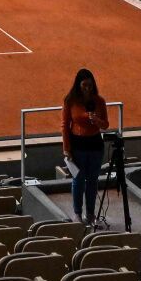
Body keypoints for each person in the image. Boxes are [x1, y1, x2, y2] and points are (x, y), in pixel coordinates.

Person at [61, 68, 110, 225]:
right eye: (84, 85)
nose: (87, 88)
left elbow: (106, 125)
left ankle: (90, 214)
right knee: (78, 180)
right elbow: (64, 125)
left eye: (90, 85)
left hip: (95, 144)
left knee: (93, 181)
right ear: (78, 85)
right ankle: (77, 213)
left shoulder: (99, 101)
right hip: (77, 145)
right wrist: (66, 148)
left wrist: (97, 121)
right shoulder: (70, 101)